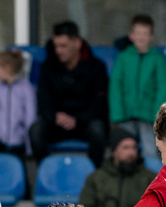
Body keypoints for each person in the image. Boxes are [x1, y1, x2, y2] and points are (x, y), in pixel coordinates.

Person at [29, 21, 109, 168]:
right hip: (57, 122)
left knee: (98, 129)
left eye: (63, 46)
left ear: (77, 44)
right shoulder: (48, 67)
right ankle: (47, 173)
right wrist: (55, 117)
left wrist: (77, 120)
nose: (58, 50)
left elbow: (99, 105)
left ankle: (94, 177)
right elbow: (43, 100)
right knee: (36, 131)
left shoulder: (96, 67)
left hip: (84, 123)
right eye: (56, 46)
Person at [109, 14, 166, 160]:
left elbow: (162, 88)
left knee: (150, 150)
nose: (141, 37)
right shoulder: (123, 58)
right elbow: (115, 87)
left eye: (145, 33)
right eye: (137, 33)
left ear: (151, 36)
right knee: (122, 150)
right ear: (131, 36)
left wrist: (157, 116)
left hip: (148, 117)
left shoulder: (158, 59)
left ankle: (152, 180)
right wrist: (117, 115)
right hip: (125, 116)